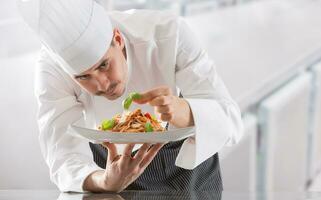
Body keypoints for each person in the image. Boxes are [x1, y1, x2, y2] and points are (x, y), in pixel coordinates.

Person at [18, 0, 244, 193]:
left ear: (117, 39)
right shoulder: (51, 69)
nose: (102, 84)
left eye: (104, 65)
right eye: (83, 77)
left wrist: (184, 111)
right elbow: (63, 156)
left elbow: (232, 121)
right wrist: (105, 182)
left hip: (189, 173)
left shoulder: (169, 32)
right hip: (111, 166)